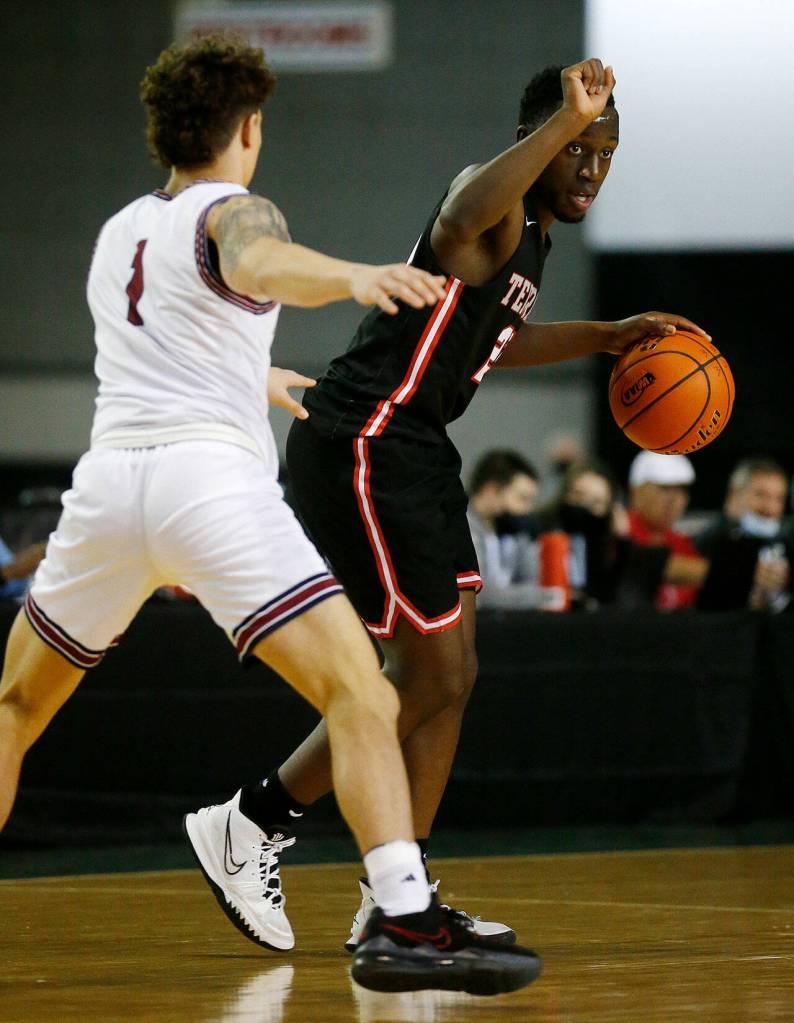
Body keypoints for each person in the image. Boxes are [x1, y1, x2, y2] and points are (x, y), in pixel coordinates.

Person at [0, 34, 544, 995]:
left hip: (107, 490)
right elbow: (260, 260)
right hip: (205, 489)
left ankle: (363, 893)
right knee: (366, 696)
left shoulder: (120, 228)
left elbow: (163, 343)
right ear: (248, 128)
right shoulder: (238, 205)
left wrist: (256, 373)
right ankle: (405, 922)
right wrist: (351, 278)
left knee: (13, 707)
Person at [196, 57, 709, 949]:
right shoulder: (496, 203)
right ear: (537, 141)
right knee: (423, 672)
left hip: (420, 447)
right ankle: (249, 823)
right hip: (364, 437)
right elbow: (461, 209)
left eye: (605, 152)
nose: (591, 166)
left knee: (453, 676)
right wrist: (561, 120)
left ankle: (399, 900)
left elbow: (492, 342)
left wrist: (605, 338)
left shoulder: (535, 237)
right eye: (577, 146)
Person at [697, 458, 791, 612]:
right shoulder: (708, 543)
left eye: (778, 498)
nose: (770, 508)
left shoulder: (787, 540)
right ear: (734, 496)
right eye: (760, 495)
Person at [535, 460, 629, 607]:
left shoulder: (607, 543)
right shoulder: (541, 530)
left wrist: (622, 542)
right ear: (564, 494)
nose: (585, 506)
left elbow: (616, 592)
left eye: (597, 502)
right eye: (578, 495)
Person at [626, 451, 708, 610]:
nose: (673, 499)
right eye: (664, 488)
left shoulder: (682, 544)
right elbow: (646, 566)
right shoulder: (620, 532)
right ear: (636, 492)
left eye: (681, 489)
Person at [466, 449, 541, 609]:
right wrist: (544, 596)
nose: (528, 509)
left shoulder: (514, 529)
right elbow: (479, 593)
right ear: (492, 490)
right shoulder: (463, 527)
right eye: (522, 498)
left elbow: (532, 579)